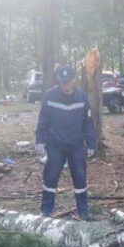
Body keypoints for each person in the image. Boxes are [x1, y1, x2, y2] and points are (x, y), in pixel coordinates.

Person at [36, 65, 96, 219]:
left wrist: (91, 143)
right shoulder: (50, 96)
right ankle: (46, 210)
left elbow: (88, 123)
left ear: (73, 80)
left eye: (68, 82)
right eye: (63, 82)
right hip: (55, 145)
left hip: (76, 145)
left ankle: (83, 211)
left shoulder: (82, 97)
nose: (66, 85)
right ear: (59, 81)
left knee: (80, 177)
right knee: (50, 176)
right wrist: (40, 140)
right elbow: (43, 121)